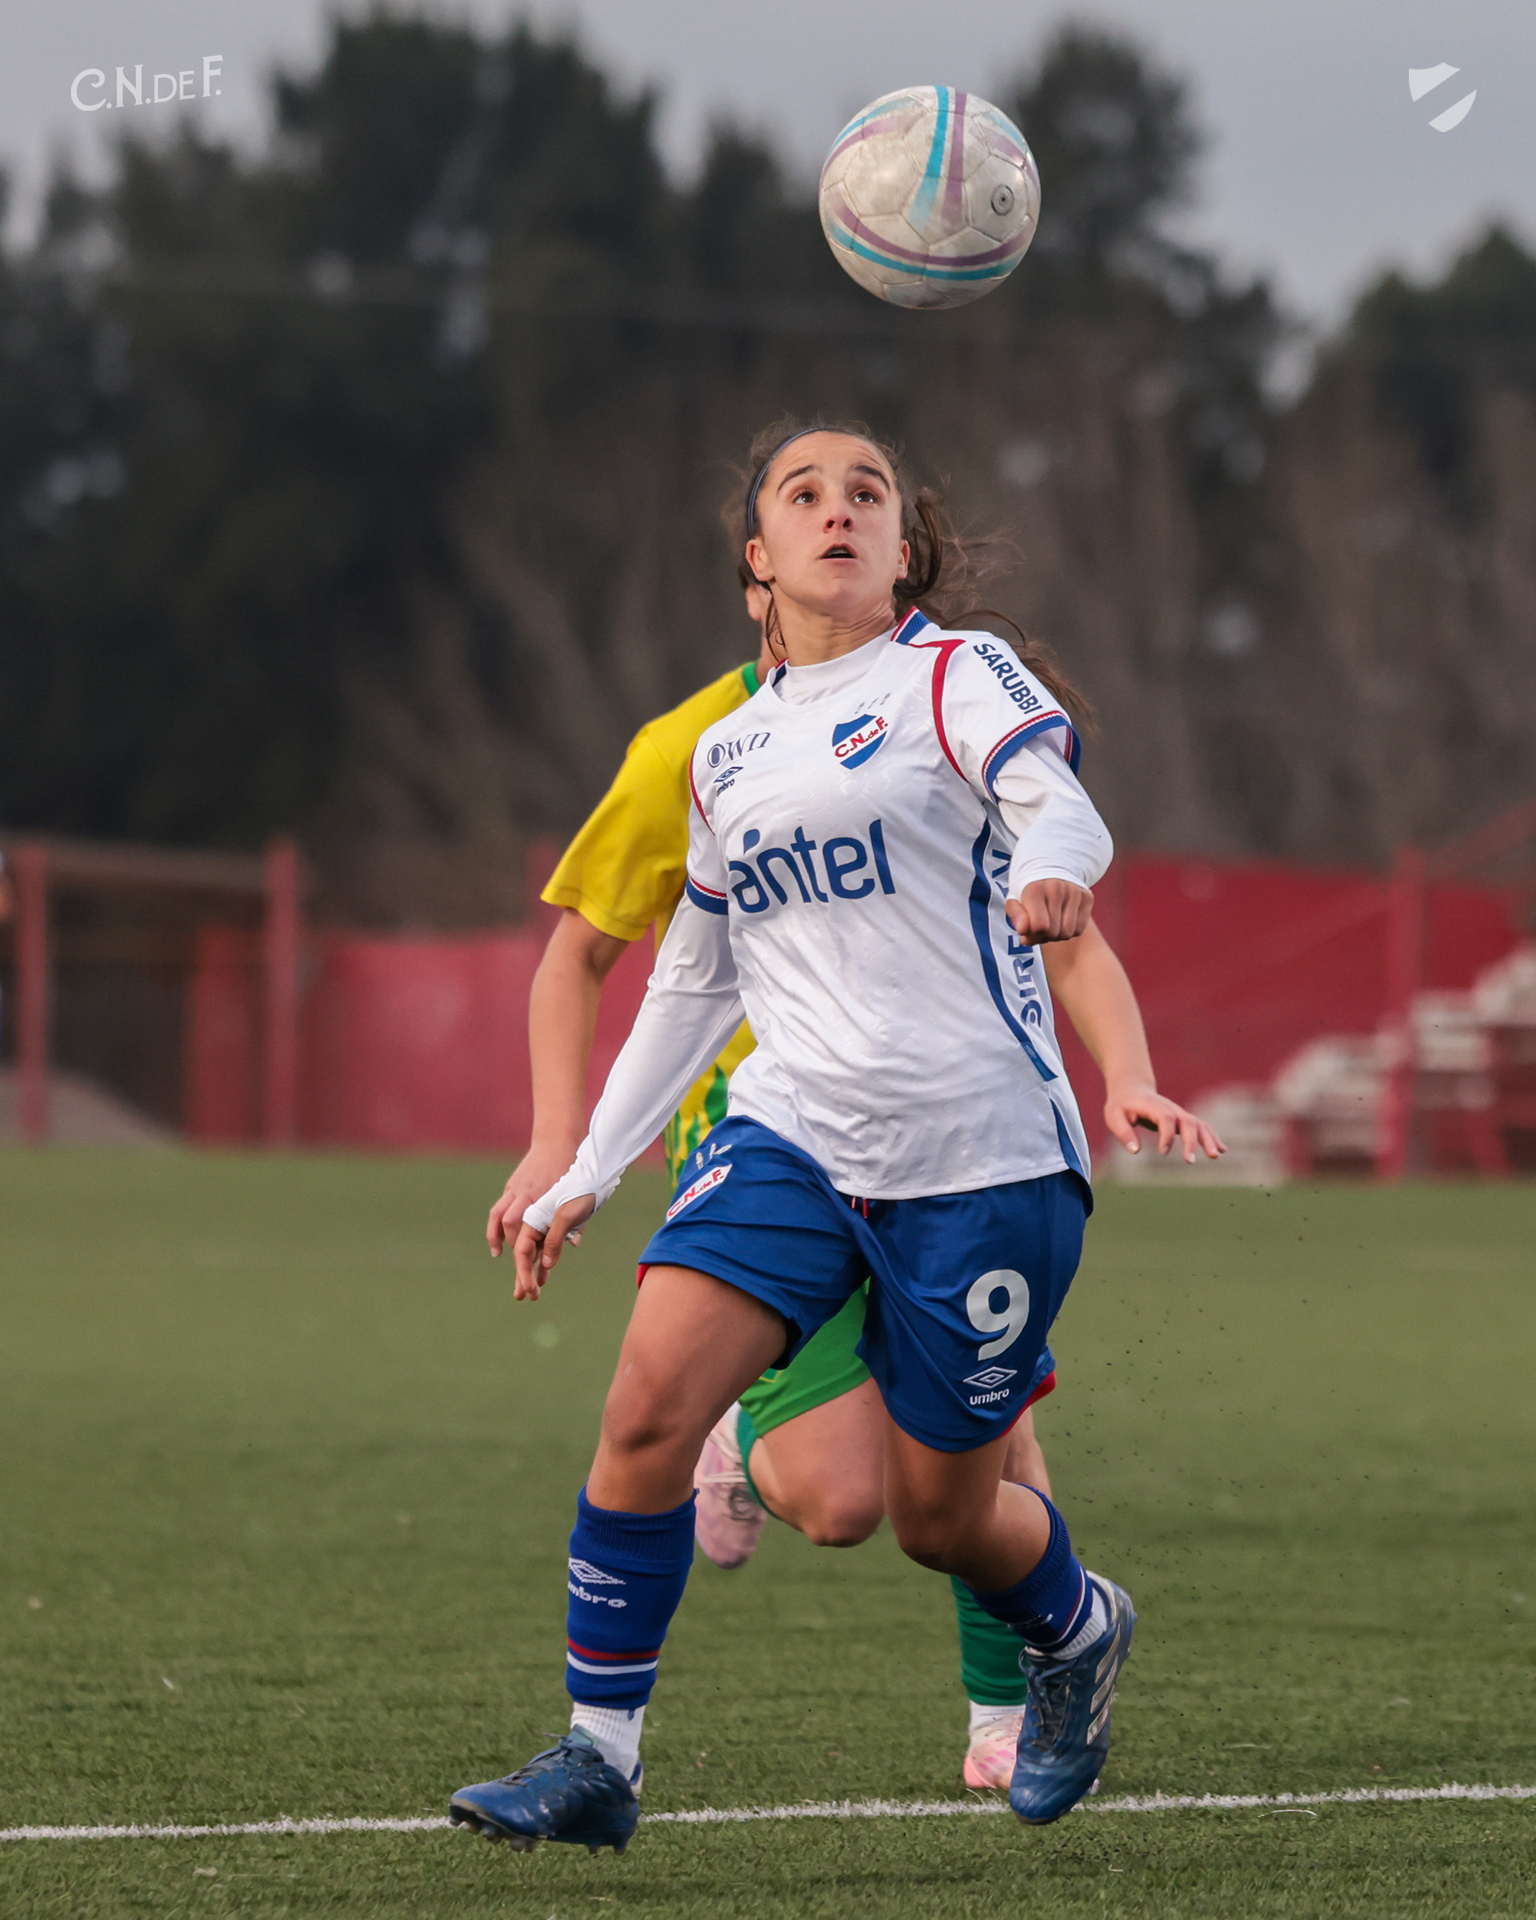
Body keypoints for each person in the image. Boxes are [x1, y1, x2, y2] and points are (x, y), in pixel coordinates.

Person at [451, 419, 1213, 1856]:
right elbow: (693, 984)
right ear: (760, 560)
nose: (839, 509)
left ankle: (1074, 1626)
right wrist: (585, 1168)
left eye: (867, 491)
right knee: (646, 1408)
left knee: (939, 1520)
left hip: (983, 1158)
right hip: (791, 1134)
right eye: (803, 494)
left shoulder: (957, 674)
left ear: (902, 550)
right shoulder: (721, 752)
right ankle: (598, 1756)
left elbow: (1057, 805)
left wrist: (1055, 870)